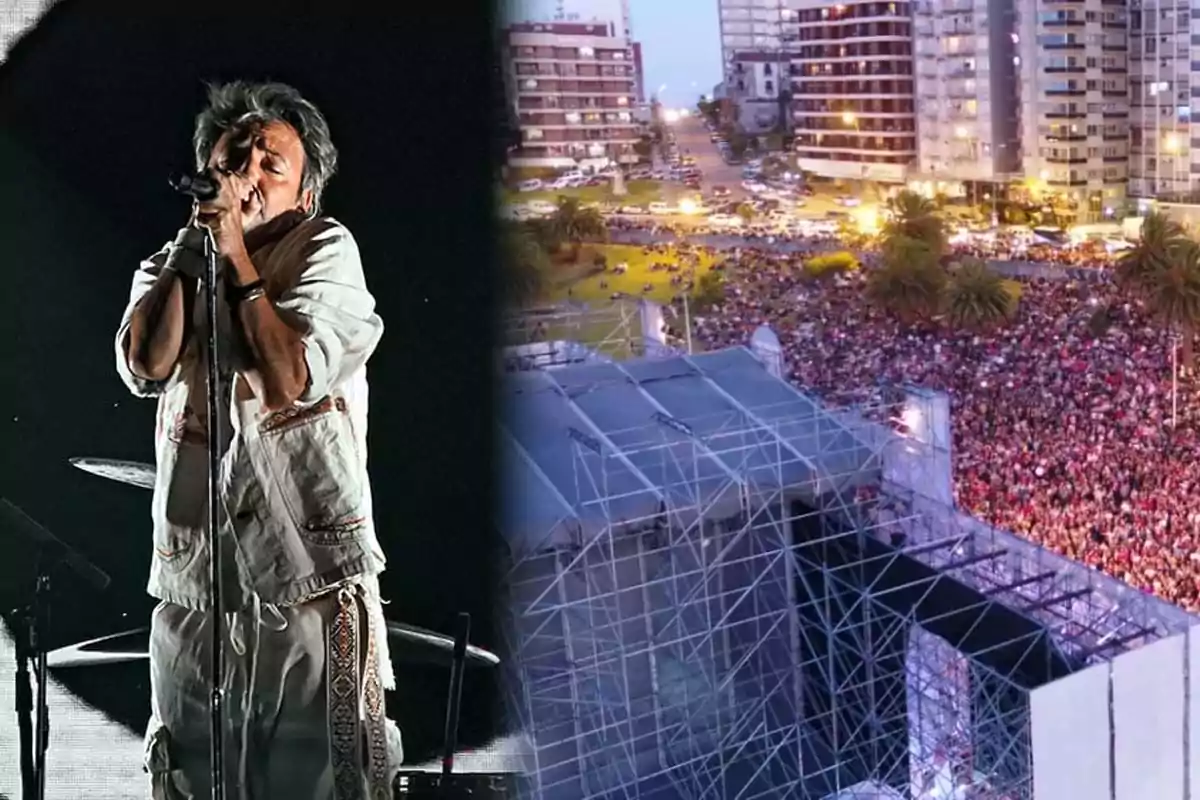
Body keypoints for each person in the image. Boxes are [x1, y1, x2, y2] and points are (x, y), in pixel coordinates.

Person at [115, 80, 402, 799]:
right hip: (195, 579)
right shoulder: (171, 259)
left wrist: (238, 259)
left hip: (306, 578)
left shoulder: (326, 249)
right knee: (191, 772)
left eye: (270, 162)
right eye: (232, 154)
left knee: (314, 782)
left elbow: (287, 378)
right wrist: (198, 253)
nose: (246, 171)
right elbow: (145, 364)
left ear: (305, 194)